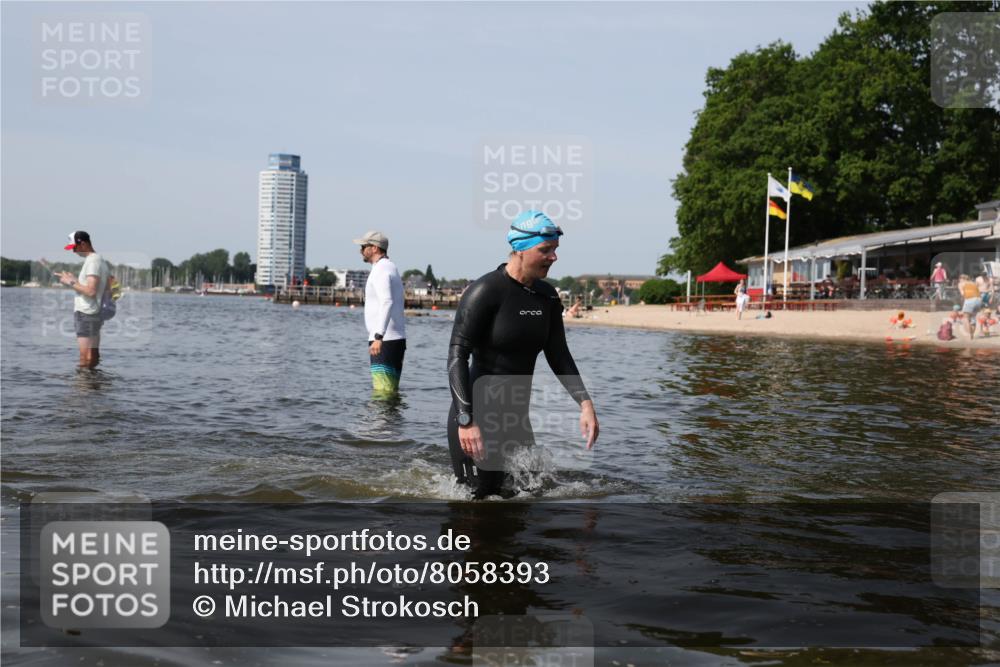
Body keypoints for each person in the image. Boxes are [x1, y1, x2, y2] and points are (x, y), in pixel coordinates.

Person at [447, 211, 599, 500]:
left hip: (517, 420)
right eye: (545, 250)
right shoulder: (485, 291)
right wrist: (466, 421)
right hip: (477, 418)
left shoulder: (547, 296)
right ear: (518, 248)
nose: (553, 257)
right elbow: (457, 356)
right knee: (478, 508)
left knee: (524, 500)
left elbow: (558, 354)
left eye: (555, 250)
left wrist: (585, 404)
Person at [353, 231, 406, 396]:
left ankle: (382, 423)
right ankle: (390, 422)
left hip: (385, 340)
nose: (360, 250)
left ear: (375, 248)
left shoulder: (381, 269)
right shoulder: (388, 267)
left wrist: (378, 337)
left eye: (364, 246)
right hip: (391, 338)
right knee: (388, 392)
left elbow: (387, 301)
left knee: (383, 393)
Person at [55, 231, 109, 369]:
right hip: (94, 313)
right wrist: (74, 280)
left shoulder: (92, 261)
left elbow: (91, 291)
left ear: (83, 244)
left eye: (74, 247)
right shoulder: (99, 260)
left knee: (85, 357)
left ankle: (83, 388)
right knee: (92, 355)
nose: (73, 251)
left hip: (86, 313)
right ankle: (93, 386)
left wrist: (70, 282)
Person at [958, 274, 980, 338]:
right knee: (973, 317)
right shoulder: (973, 283)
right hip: (978, 300)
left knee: (966, 318)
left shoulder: (961, 284)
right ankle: (972, 334)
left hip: (970, 299)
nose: (959, 280)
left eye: (959, 279)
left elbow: (962, 294)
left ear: (962, 279)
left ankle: (970, 335)